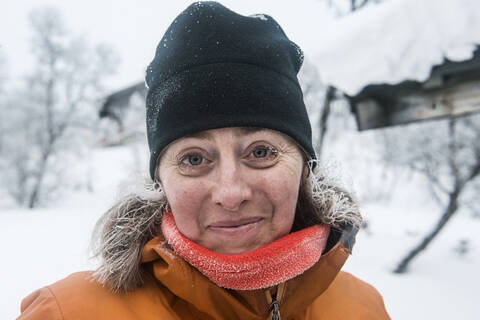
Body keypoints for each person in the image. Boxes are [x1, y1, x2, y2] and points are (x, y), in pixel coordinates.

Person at [18, 2, 390, 319]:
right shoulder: (67, 313)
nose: (230, 194)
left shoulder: (363, 308)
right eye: (194, 158)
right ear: (160, 180)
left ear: (304, 167)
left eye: (260, 152)